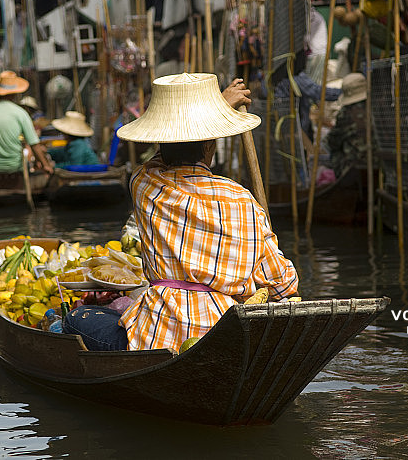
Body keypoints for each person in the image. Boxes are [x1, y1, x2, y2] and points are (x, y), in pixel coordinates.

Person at [60, 74, 299, 352]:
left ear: (161, 143)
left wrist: (219, 106)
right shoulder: (243, 199)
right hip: (224, 333)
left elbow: (155, 164)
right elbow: (283, 282)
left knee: (77, 318)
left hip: (157, 337)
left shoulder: (145, 184)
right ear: (210, 145)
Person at [0, 71, 53, 175]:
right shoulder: (20, 113)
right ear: (14, 93)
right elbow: (33, 144)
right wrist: (46, 165)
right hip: (14, 167)